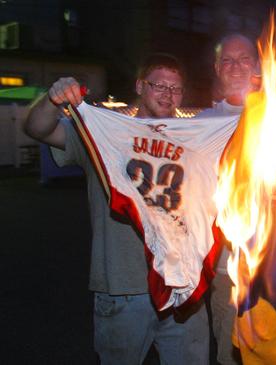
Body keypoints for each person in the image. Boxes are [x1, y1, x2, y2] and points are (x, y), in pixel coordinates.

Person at [24, 53, 210, 364]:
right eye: (158, 85)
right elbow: (38, 128)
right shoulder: (104, 134)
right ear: (139, 85)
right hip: (122, 288)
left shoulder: (193, 143)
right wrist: (52, 99)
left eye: (175, 88)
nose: (168, 94)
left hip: (183, 285)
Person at [197, 33, 259, 365]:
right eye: (227, 60)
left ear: (259, 65)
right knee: (229, 354)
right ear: (217, 69)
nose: (235, 66)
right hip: (226, 269)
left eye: (244, 58)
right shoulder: (201, 124)